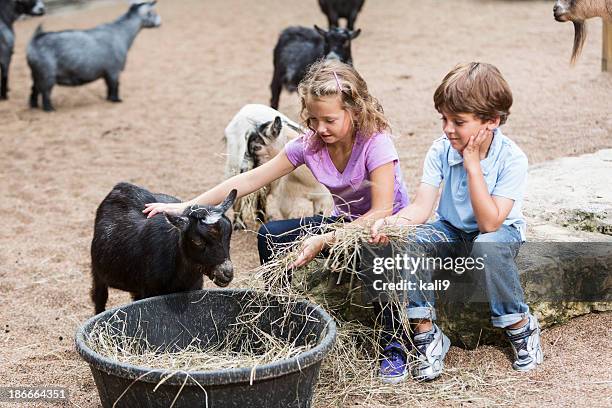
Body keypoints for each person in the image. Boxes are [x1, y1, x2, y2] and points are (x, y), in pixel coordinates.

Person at [144, 60, 411, 376]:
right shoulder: (311, 144)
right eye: (313, 119)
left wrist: (325, 239)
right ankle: (288, 320)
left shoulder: (375, 142)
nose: (320, 128)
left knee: (376, 247)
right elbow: (249, 180)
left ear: (354, 112)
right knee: (270, 234)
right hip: (342, 222)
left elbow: (380, 210)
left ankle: (396, 342)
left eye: (329, 120)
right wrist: (186, 206)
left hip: (385, 227)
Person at [370, 62, 543, 382]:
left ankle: (521, 327)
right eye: (444, 119)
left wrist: (473, 165)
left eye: (458, 122)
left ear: (492, 121)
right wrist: (393, 224)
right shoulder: (440, 150)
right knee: (411, 241)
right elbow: (421, 207)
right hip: (450, 229)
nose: (448, 129)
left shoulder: (511, 158)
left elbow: (491, 223)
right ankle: (426, 335)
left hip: (498, 233)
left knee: (488, 246)